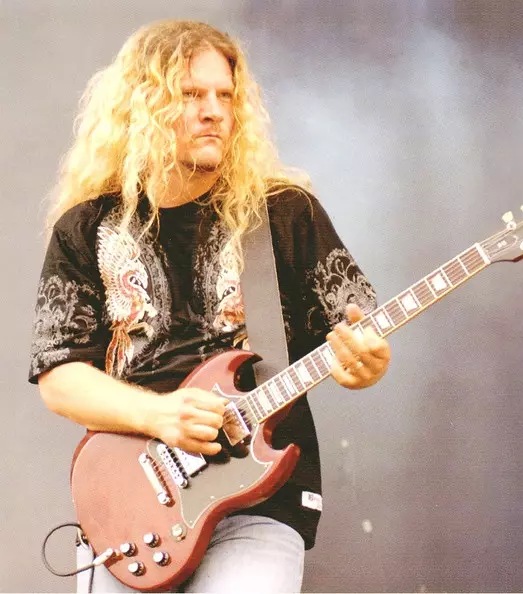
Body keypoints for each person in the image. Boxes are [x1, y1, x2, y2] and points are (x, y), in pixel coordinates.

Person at [28, 19, 391, 593]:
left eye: (225, 96)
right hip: (131, 506)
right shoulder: (86, 228)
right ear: (142, 106)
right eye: (191, 94)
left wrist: (366, 362)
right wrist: (159, 416)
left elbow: (357, 332)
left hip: (261, 500)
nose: (214, 111)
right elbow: (61, 379)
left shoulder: (284, 213)